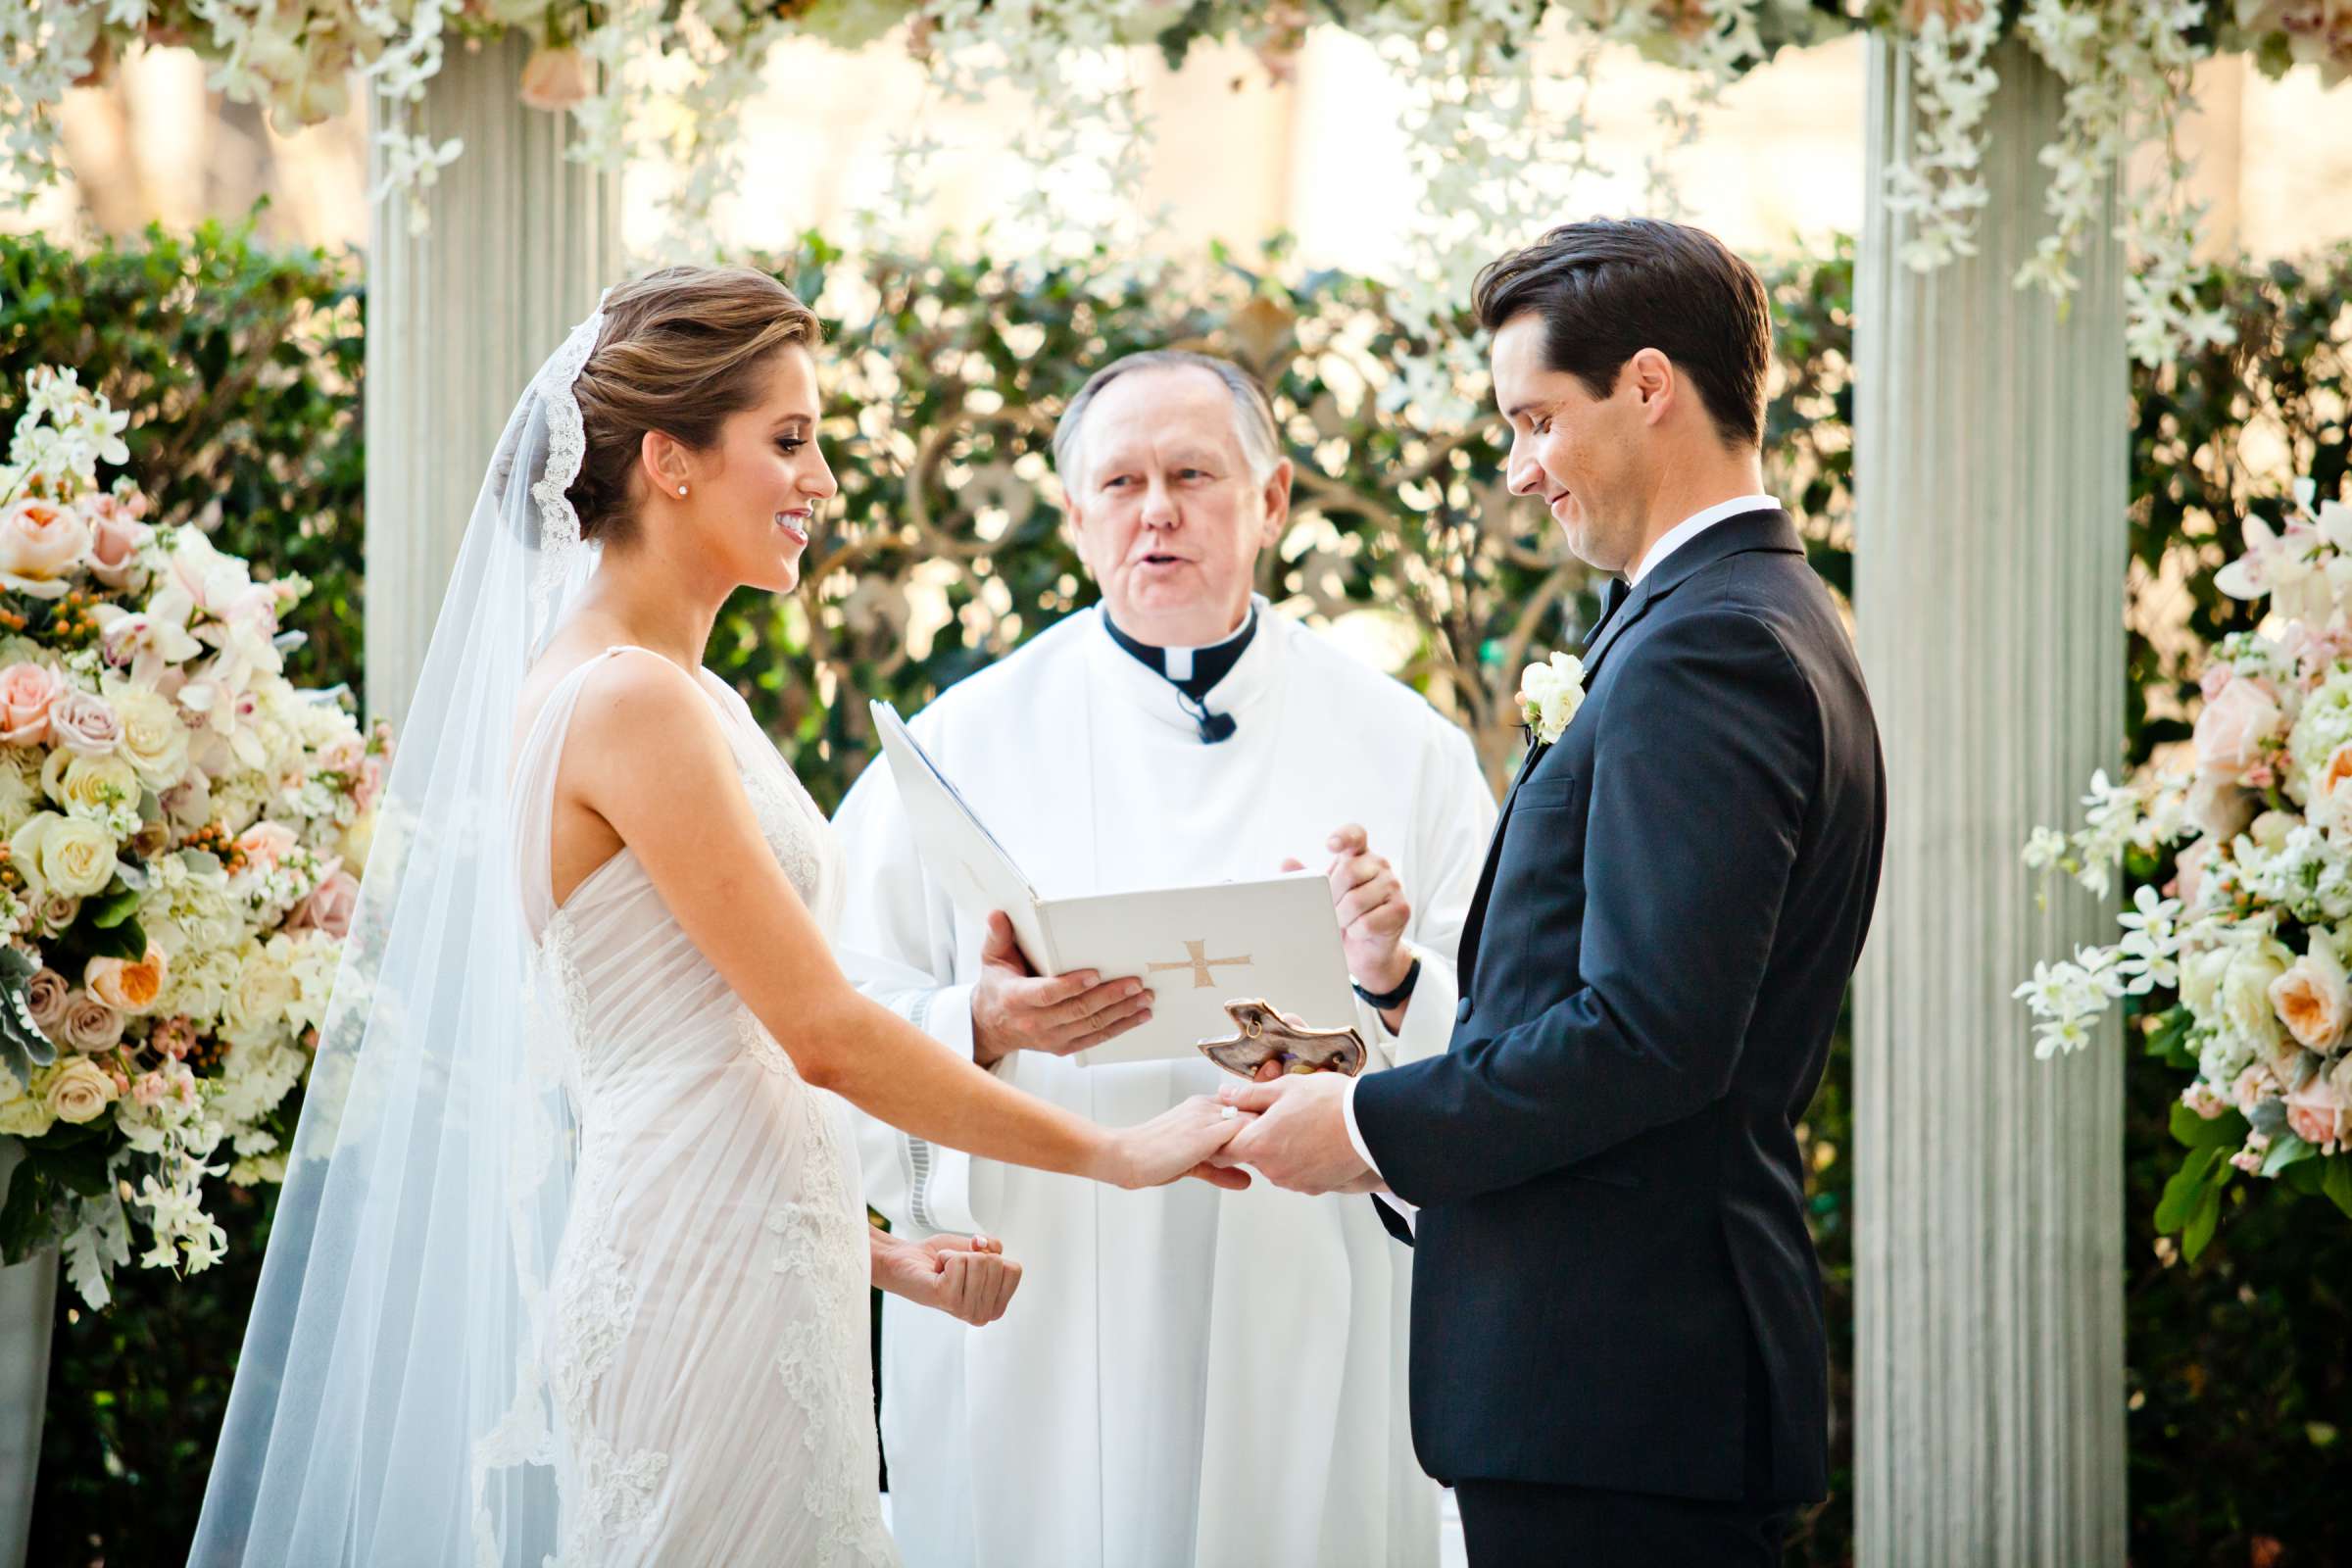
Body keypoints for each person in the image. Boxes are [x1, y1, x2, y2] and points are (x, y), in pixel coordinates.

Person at [188, 268, 1250, 1568]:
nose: (824, 482)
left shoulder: (674, 692)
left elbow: (696, 1060)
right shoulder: (632, 702)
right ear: (670, 462)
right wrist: (1116, 1154)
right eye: (790, 441)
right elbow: (821, 1037)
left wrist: (873, 1256)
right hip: (700, 1287)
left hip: (752, 1265)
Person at [1221, 219, 1887, 1566]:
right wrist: (1404, 989)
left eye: (1534, 420)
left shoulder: (1711, 648)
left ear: (1649, 387)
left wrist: (1364, 1122)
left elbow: (1653, 1035)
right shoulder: (1735, 614)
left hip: (1627, 1390)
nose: (1520, 472)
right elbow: (1633, 988)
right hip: (1624, 1391)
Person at [833, 350, 1496, 1567]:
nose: (1158, 511)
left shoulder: (1406, 747)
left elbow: (1500, 1040)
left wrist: (1391, 974)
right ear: (1076, 513)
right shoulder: (957, 746)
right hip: (1053, 1296)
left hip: (1305, 1274)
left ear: (1274, 497)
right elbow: (834, 1012)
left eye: (1195, 474)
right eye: (1122, 481)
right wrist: (979, 1022)